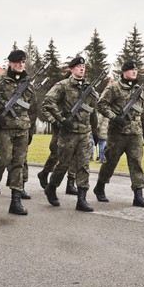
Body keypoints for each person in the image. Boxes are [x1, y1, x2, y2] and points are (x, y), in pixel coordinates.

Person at [0, 49, 39, 215]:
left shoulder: (29, 85)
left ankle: (15, 200)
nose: (20, 65)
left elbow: (33, 109)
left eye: (23, 62)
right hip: (4, 128)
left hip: (23, 129)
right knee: (2, 161)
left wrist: (31, 129)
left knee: (18, 163)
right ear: (10, 63)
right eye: (17, 62)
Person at [42, 57, 99, 212]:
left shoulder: (89, 88)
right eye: (78, 66)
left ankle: (82, 199)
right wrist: (61, 119)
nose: (82, 69)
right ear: (71, 69)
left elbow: (93, 110)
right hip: (68, 133)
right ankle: (51, 187)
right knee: (63, 164)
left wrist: (96, 131)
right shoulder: (63, 85)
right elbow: (47, 102)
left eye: (83, 66)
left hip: (85, 133)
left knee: (84, 166)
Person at [93, 61, 144, 208]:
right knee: (110, 163)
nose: (134, 71)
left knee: (136, 163)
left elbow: (142, 109)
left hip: (135, 133)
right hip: (117, 133)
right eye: (131, 69)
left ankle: (138, 195)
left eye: (136, 69)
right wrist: (114, 117)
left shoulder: (139, 89)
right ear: (124, 72)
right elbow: (101, 105)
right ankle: (100, 186)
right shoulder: (114, 87)